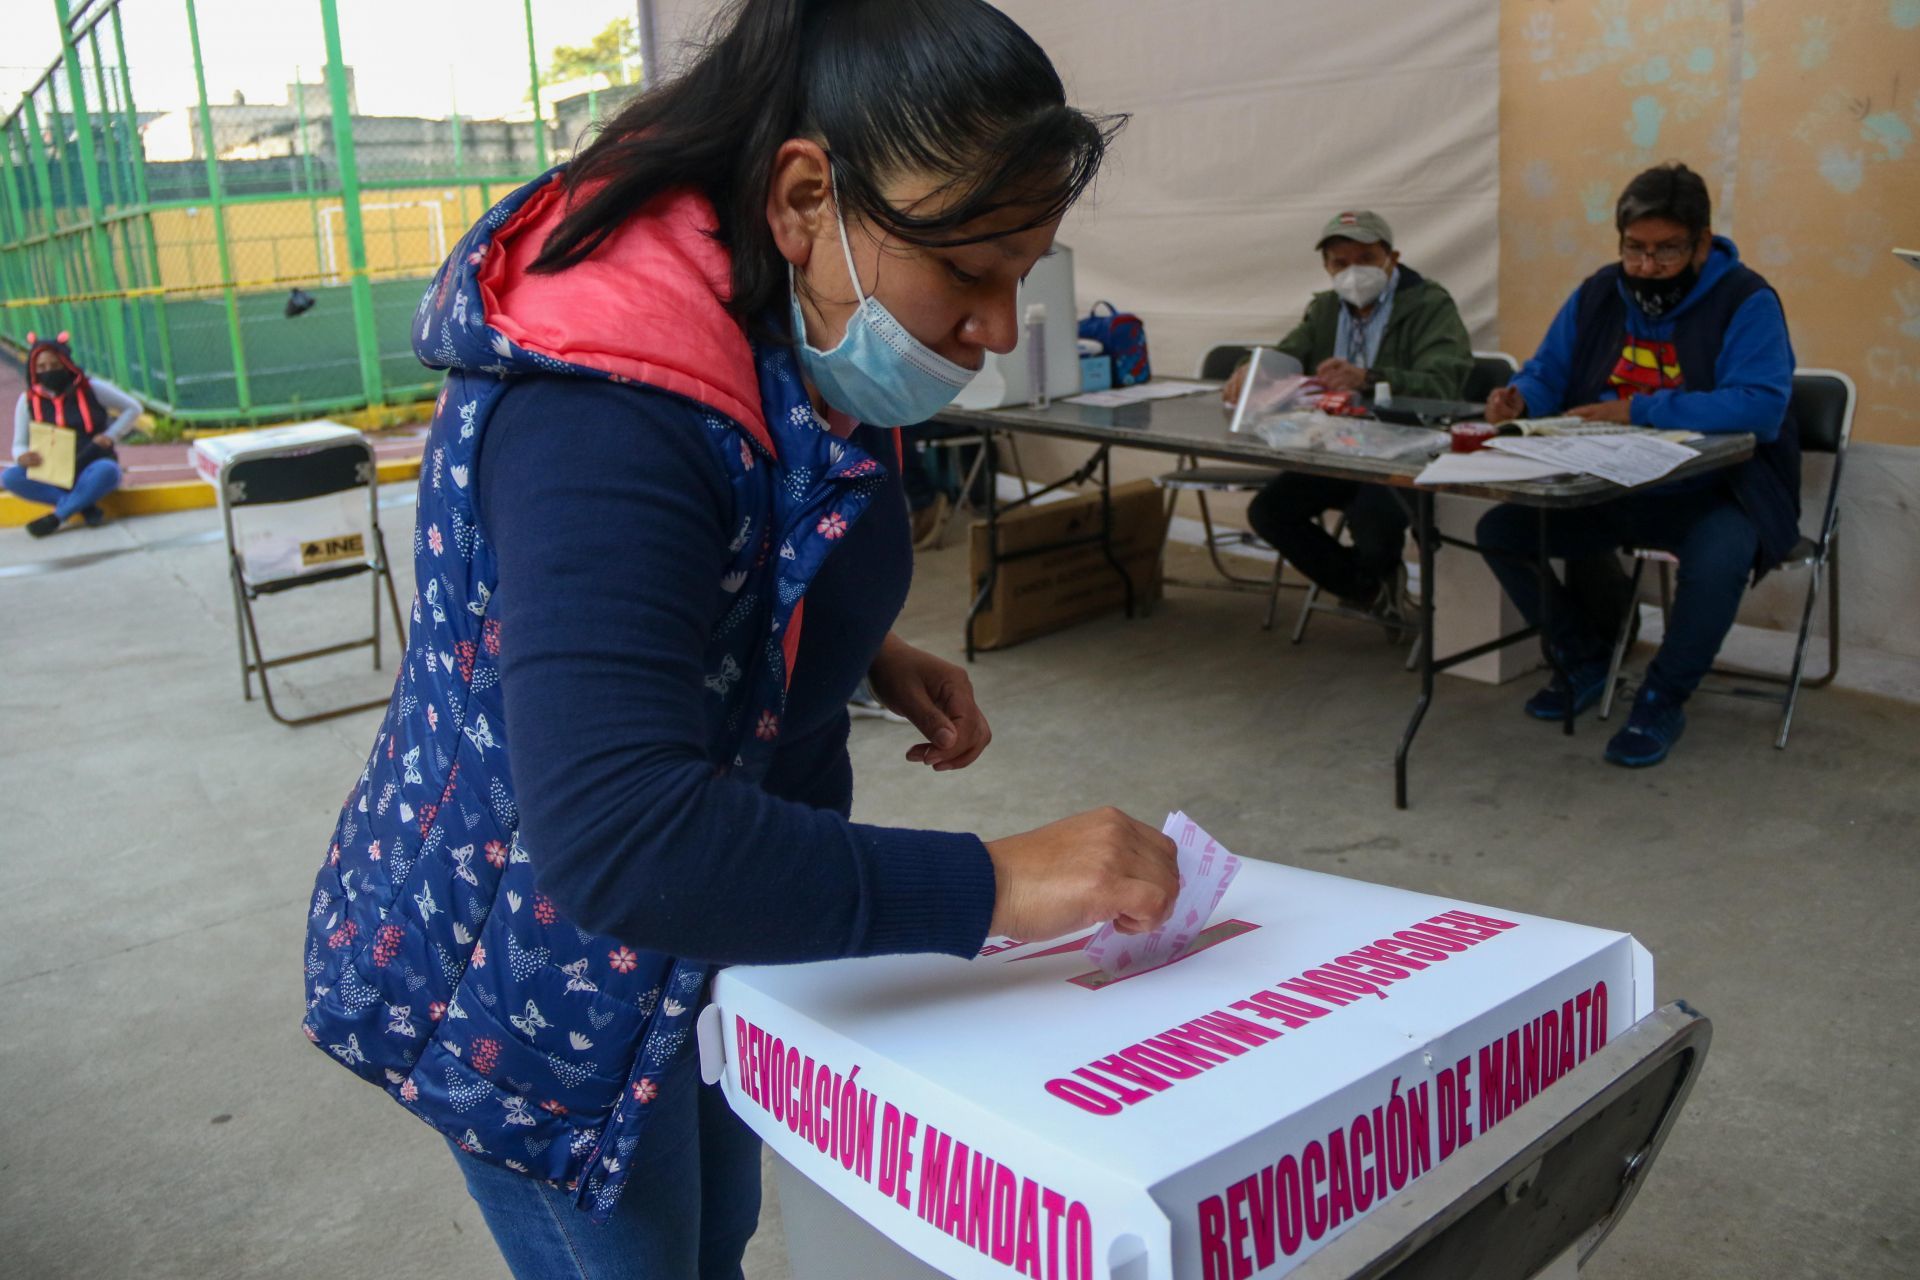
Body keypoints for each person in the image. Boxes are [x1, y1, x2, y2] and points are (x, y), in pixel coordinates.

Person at [298, 3, 1178, 1277]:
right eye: (972, 271)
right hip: (543, 985)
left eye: (1023, 272)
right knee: (646, 1253)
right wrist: (991, 882)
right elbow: (616, 831)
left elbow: (743, 528)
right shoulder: (602, 405)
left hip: (708, 937)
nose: (998, 328)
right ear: (807, 194)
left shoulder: (799, 308)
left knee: (717, 1233)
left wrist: (857, 645)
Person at [1476, 162, 1797, 767]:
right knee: (1503, 532)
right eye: (1635, 249)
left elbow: (1761, 405)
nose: (1647, 267)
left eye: (1667, 251)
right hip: (1613, 486)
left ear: (1702, 242)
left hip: (1715, 492)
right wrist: (1520, 397)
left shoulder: (1746, 300)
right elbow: (1549, 370)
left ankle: (1662, 696)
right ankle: (1584, 658)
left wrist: (1639, 408)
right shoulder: (1599, 291)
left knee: (1719, 558)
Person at [1226, 211, 1473, 627]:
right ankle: (1372, 591)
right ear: (1327, 267)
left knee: (1374, 528)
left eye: (1366, 258)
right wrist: (1249, 369)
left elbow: (1444, 383)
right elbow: (1285, 357)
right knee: (1269, 512)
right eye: (1340, 263)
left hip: (1401, 454)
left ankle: (1378, 577)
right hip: (1334, 447)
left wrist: (1370, 377)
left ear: (1391, 257)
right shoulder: (1325, 309)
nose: (1353, 272)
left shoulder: (1429, 304)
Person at [5, 332, 140, 537]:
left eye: (54, 365)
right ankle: (82, 505)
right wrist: (21, 456)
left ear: (66, 364)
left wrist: (111, 435)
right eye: (41, 367)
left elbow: (133, 408)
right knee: (10, 477)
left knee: (108, 471)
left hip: (90, 464)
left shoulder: (91, 388)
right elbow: (19, 443)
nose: (48, 371)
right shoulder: (28, 401)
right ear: (33, 369)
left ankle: (58, 517)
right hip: (52, 471)